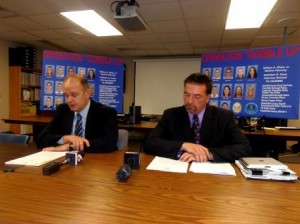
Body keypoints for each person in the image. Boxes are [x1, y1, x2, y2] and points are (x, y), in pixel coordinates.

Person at [143, 73, 252, 163]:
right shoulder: (171, 115)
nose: (189, 101)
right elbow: (149, 143)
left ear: (208, 98)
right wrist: (184, 145)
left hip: (212, 178)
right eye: (186, 94)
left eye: (197, 96)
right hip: (177, 174)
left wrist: (208, 154)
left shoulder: (224, 117)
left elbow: (244, 148)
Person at [36, 74, 118, 153]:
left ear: (87, 93)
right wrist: (65, 139)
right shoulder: (63, 110)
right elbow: (41, 139)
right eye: (66, 96)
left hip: (96, 162)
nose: (69, 100)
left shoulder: (106, 113)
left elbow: (109, 143)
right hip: (67, 161)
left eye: (74, 95)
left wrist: (70, 146)